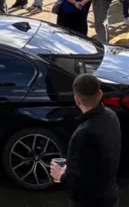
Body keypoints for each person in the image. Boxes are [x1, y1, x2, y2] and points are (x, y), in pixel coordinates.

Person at [50, 74, 121, 207]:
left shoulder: (83, 134)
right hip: (110, 197)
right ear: (100, 94)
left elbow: (79, 184)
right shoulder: (111, 117)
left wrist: (61, 176)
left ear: (77, 100)